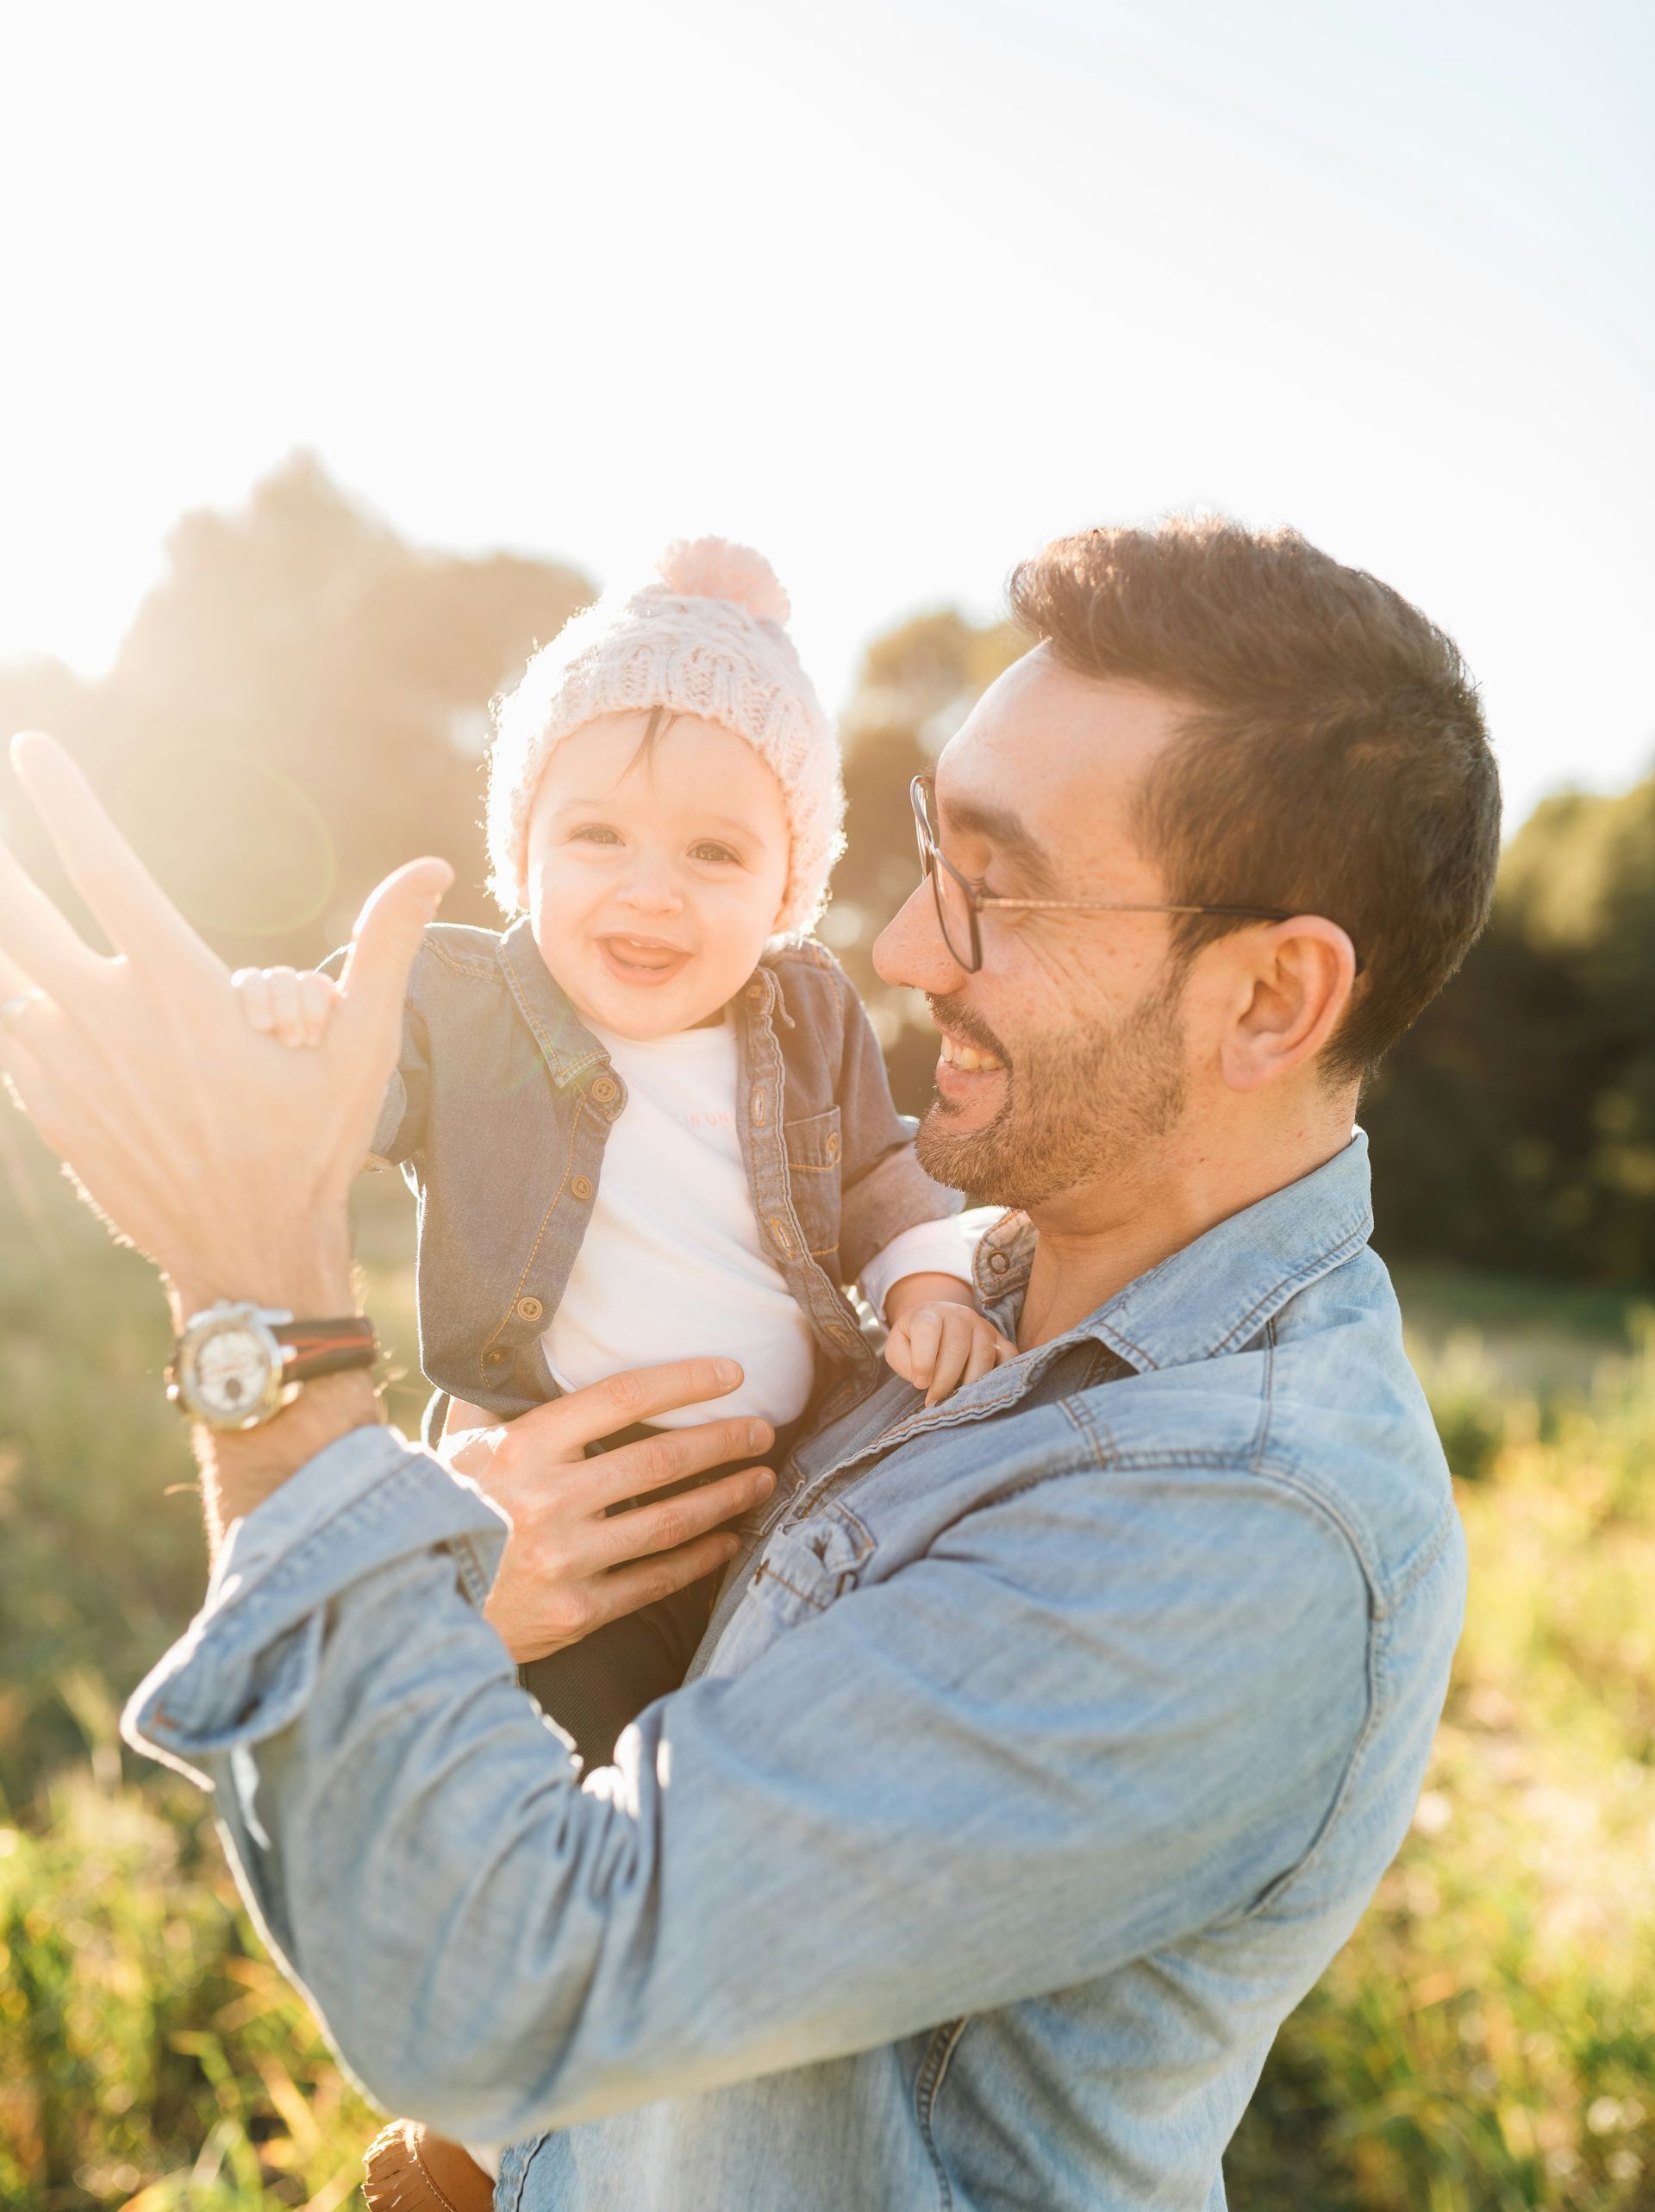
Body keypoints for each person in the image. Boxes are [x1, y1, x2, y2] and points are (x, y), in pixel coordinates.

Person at [0, 516, 1502, 2210]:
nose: (907, 952)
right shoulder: (975, 1285)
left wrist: (261, 1293)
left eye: (994, 890)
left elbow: (513, 1983)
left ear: (1268, 999)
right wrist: (460, 1589)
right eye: (932, 856)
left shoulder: (1238, 1519)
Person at [229, 533, 1004, 2201]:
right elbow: (350, 1076)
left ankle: (628, 2137)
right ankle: (475, 2144)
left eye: (717, 851)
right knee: (521, 1799)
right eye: (596, 836)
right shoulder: (469, 1000)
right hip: (555, 1505)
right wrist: (299, 1029)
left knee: (694, 1835)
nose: (649, 892)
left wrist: (929, 1271)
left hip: (761, 1527)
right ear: (522, 848)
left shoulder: (804, 1023)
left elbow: (882, 1182)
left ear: (789, 886)